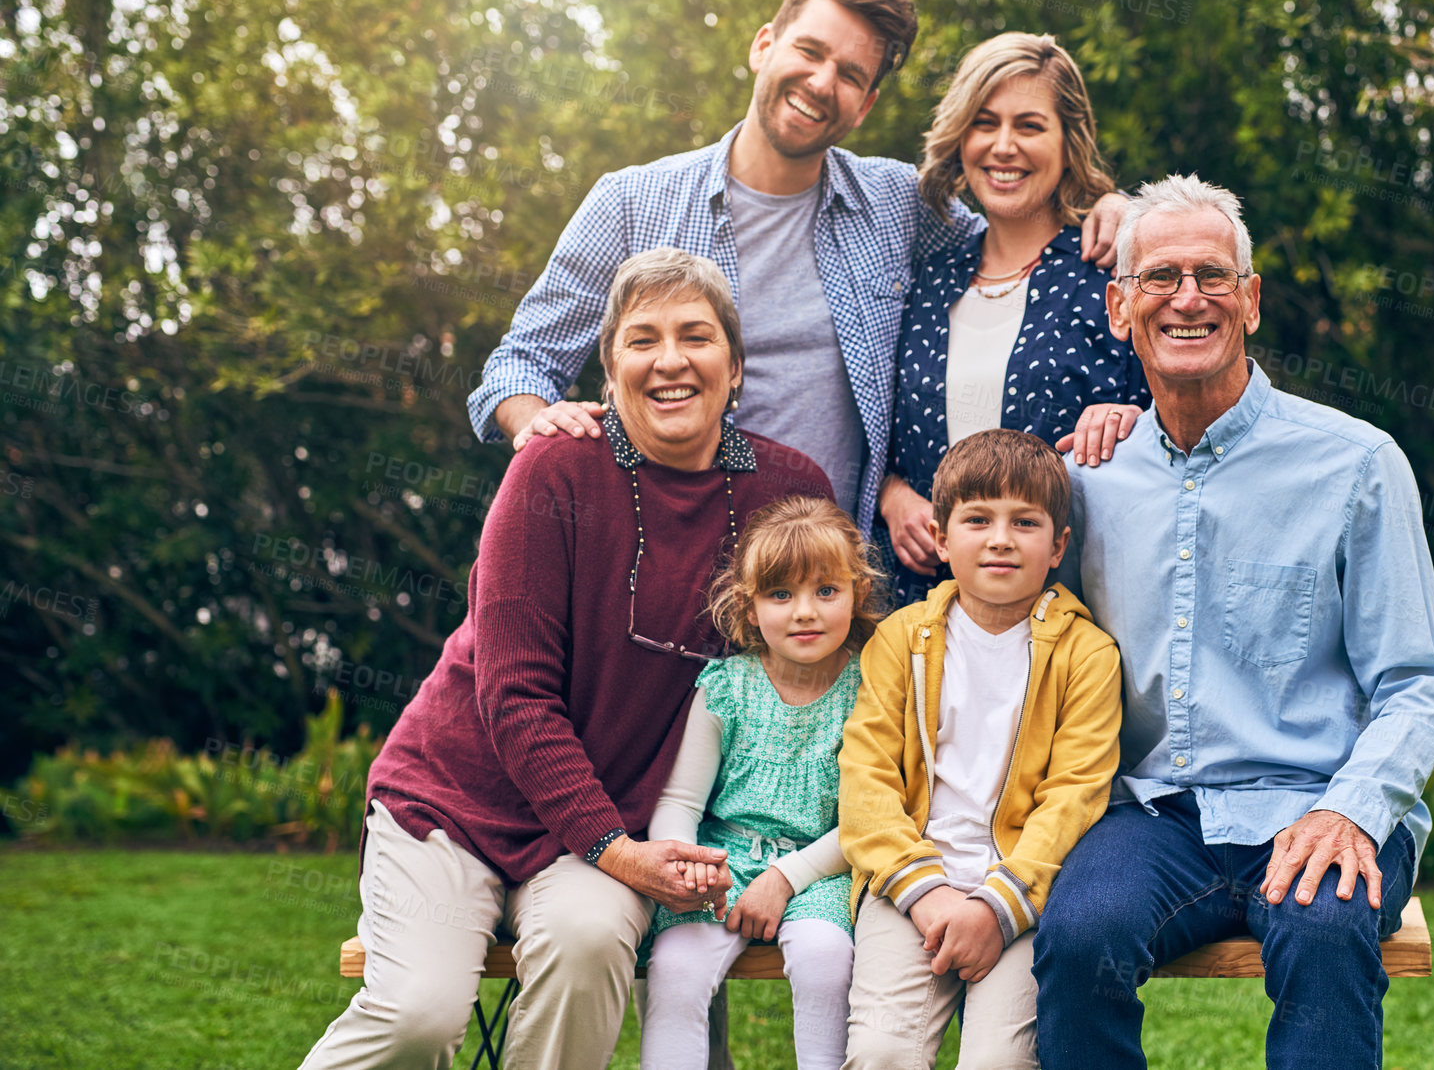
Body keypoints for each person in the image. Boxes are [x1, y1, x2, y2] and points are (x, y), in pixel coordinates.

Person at [296, 249, 832, 1070]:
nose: (670, 360)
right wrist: (618, 852)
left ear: (734, 363)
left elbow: (807, 677)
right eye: (641, 339)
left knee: (586, 946)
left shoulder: (787, 493)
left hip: (603, 823)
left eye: (695, 336)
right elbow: (514, 698)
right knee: (416, 1017)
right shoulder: (555, 467)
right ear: (610, 370)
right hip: (455, 802)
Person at [1031, 174, 1434, 1070]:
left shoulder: (1356, 465)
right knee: (1078, 938)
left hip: (1316, 798)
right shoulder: (1086, 481)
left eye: (1211, 275)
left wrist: (1349, 810)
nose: (1187, 298)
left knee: (1323, 927)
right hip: (1154, 814)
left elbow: (1417, 685)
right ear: (1120, 308)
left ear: (1250, 301)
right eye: (1158, 278)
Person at [467, 0, 1131, 532]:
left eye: (848, 74)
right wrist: (538, 422)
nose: (820, 82)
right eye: (808, 51)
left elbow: (1011, 237)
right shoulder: (631, 203)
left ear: (866, 104)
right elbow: (519, 364)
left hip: (830, 600)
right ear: (764, 45)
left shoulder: (897, 205)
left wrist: (1116, 210)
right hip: (664, 561)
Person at [837, 429, 1123, 1070]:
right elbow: (866, 777)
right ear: (940, 538)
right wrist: (927, 893)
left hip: (1023, 892)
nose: (1000, 538)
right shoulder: (900, 640)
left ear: (1058, 547)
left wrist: (998, 906)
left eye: (1025, 522)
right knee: (883, 1052)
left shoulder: (1087, 655)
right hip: (908, 885)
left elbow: (1075, 796)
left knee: (998, 1062)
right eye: (977, 519)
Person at [879, 33, 1151, 605]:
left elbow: (1184, 428)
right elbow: (873, 425)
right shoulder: (927, 279)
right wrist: (892, 494)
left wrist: (1133, 421)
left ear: (1068, 142)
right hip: (924, 618)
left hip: (1074, 620)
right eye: (985, 122)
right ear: (960, 136)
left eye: (1029, 126)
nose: (1004, 146)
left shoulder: (1111, 273)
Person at [640, 496, 884, 1070]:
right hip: (720, 864)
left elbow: (865, 817)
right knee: (674, 970)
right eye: (781, 595)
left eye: (826, 592)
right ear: (750, 609)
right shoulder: (726, 685)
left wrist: (783, 878)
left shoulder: (870, 688)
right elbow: (679, 799)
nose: (805, 612)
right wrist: (690, 862)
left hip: (820, 868)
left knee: (827, 960)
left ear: (857, 595)